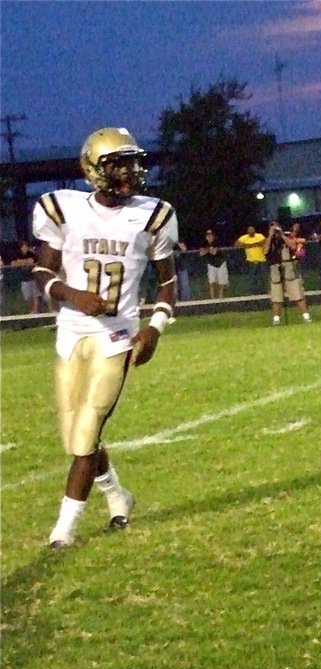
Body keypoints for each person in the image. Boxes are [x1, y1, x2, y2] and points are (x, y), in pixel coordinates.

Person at [30, 126, 178, 548]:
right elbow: (41, 271)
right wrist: (71, 294)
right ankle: (117, 494)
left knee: (87, 427)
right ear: (94, 169)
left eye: (132, 162)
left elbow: (168, 283)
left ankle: (64, 530)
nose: (130, 172)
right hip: (71, 332)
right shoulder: (62, 208)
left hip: (117, 334)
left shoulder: (154, 214)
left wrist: (154, 327)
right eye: (118, 164)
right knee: (78, 433)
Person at [265, 221, 312, 325]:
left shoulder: (286, 237)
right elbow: (265, 251)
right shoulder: (269, 239)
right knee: (276, 297)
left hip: (289, 268)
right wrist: (270, 235)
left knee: (298, 294)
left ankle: (306, 316)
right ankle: (276, 319)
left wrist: (281, 235)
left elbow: (293, 247)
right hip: (275, 270)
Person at [198, 228, 228, 299]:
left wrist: (207, 250)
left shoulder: (217, 242)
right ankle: (213, 298)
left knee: (221, 282)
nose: (209, 236)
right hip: (211, 264)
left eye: (211, 235)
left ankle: (220, 297)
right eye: (208, 235)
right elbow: (201, 253)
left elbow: (214, 252)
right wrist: (209, 249)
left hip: (220, 263)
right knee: (211, 282)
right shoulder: (204, 243)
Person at [13, 238, 41, 312]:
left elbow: (32, 261)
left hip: (34, 277)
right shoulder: (17, 254)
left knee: (35, 295)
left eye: (26, 246)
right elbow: (14, 263)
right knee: (28, 297)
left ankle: (36, 311)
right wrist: (25, 262)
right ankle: (31, 311)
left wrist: (22, 262)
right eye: (23, 246)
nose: (25, 248)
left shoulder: (32, 254)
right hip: (24, 279)